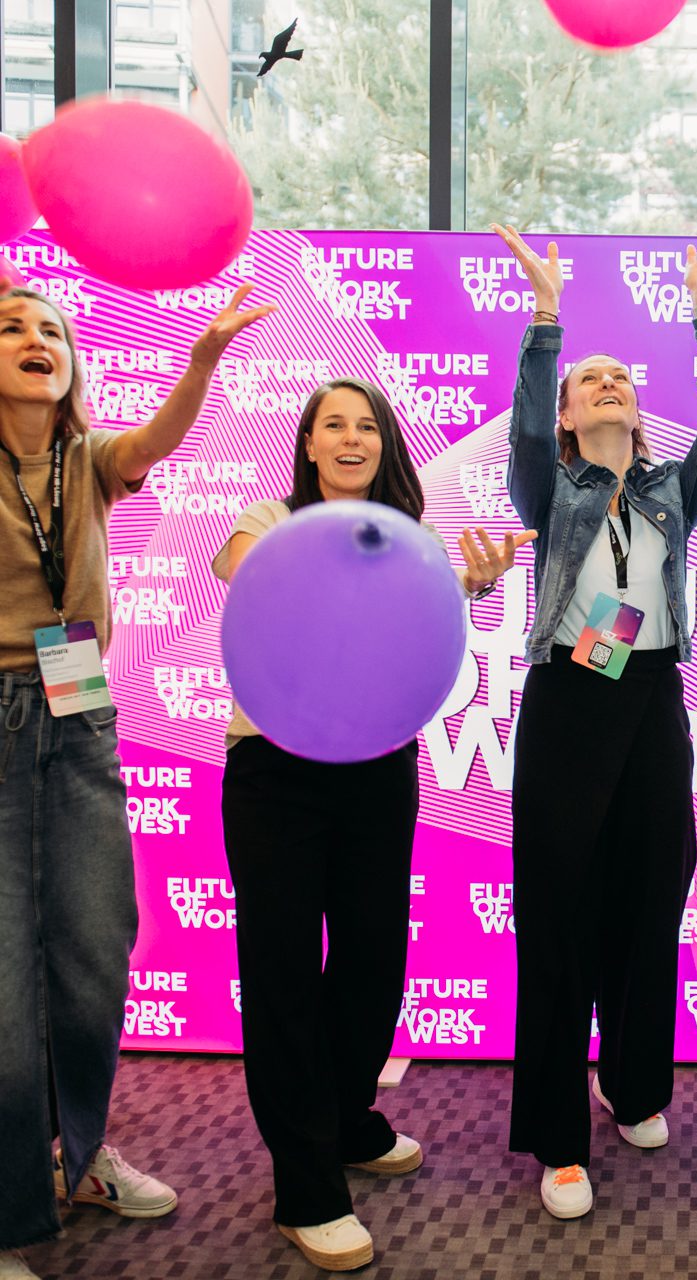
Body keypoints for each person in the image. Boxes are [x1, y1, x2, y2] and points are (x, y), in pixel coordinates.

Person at [213, 376, 532, 1270]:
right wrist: (312, 559)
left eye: (367, 426)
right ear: (309, 444)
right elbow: (242, 568)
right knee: (282, 973)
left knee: (372, 959)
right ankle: (306, 1189)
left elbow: (412, 619)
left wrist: (463, 581)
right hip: (275, 770)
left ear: (385, 445)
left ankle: (346, 1120)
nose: (351, 438)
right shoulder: (269, 519)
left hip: (377, 767)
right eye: (334, 425)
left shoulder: (408, 538)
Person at [0, 284, 272, 1280]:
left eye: (52, 330)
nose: (36, 339)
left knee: (94, 957)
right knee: (6, 989)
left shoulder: (87, 459)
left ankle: (77, 1156)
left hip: (79, 713)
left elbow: (159, 438)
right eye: (11, 327)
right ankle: (10, 1206)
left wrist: (202, 358)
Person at [490, 220, 697, 1219]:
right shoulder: (548, 487)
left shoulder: (670, 489)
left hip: (652, 700)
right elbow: (521, 436)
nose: (607, 384)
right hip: (569, 701)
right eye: (586, 381)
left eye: (620, 379)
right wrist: (546, 318)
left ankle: (632, 1083)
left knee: (651, 898)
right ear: (566, 417)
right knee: (558, 917)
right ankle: (560, 1140)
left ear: (640, 414)